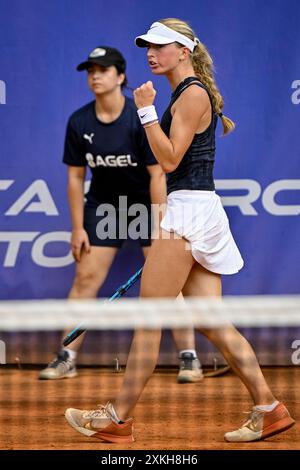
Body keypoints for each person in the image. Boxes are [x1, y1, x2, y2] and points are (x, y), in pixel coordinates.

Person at [65, 20, 295, 443]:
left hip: (188, 212)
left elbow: (169, 161)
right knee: (212, 321)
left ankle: (117, 418)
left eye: (159, 46)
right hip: (197, 209)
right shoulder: (186, 93)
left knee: (149, 321)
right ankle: (270, 408)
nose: (150, 53)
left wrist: (146, 110)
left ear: (184, 51)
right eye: (147, 47)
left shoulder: (190, 95)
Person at [39, 45, 203, 384]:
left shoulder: (135, 118)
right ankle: (65, 356)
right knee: (85, 279)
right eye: (91, 71)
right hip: (104, 206)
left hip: (145, 203)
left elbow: (158, 173)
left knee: (167, 283)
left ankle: (189, 357)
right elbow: (75, 177)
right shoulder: (79, 121)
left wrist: (160, 224)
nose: (95, 75)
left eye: (103, 69)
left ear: (120, 76)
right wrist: (77, 228)